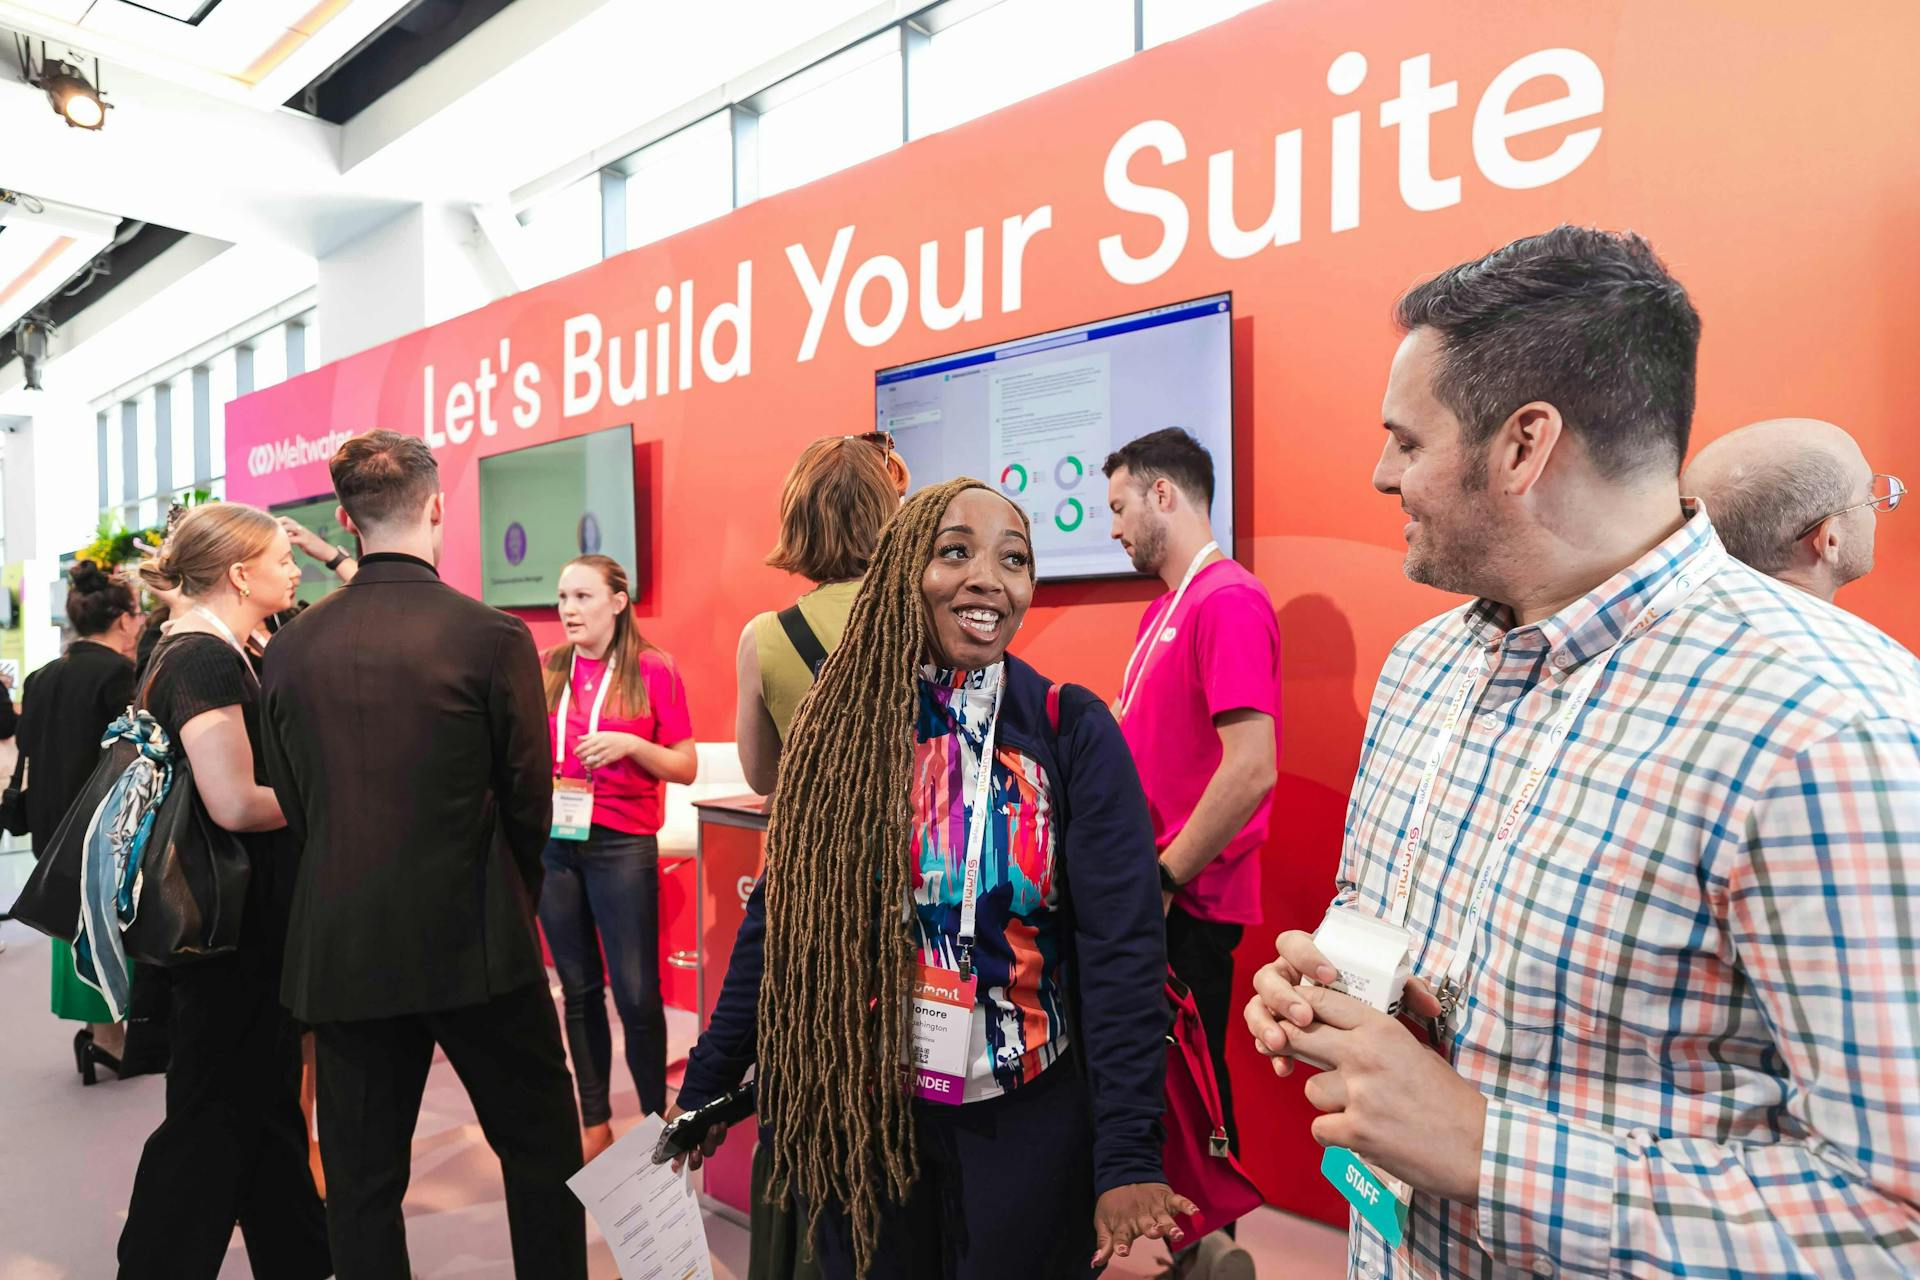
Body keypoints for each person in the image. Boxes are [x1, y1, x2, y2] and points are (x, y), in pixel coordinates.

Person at [1244, 227, 1920, 1279]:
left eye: (1407, 441)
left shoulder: (1825, 727)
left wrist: (1486, 1148)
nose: (1381, 474)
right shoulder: (1427, 665)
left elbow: (1892, 1218)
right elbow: (1383, 924)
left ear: (1524, 444)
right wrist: (1337, 990)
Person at [672, 478, 1190, 1279]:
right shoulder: (841, 733)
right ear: (902, 574)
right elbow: (782, 921)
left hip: (1027, 1121)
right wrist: (709, 1079)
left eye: (1013, 559)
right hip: (868, 1114)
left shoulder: (1070, 730)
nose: (989, 577)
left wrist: (1126, 1154)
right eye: (956, 552)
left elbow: (1123, 949)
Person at [258, 430, 584, 1279]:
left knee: (362, 1185)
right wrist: (508, 897)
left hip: (344, 950)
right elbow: (528, 802)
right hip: (477, 942)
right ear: (439, 507)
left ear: (343, 518)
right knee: (544, 1158)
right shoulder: (492, 636)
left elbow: (297, 803)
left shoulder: (288, 647)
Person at [117, 505, 331, 1279]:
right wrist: (328, 796)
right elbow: (234, 801)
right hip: (225, 939)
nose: (293, 567)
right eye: (281, 558)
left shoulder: (209, 647)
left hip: (239, 933)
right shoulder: (204, 659)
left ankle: (304, 1260)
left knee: (264, 1112)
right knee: (210, 1125)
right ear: (241, 574)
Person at [1102, 428, 1278, 1279]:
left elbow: (1251, 769)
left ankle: (1218, 1247)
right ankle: (1191, 1245)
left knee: (1196, 1080)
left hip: (1190, 903)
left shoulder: (1229, 601)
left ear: (1163, 494)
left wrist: (1167, 876)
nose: (1113, 528)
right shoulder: (1160, 612)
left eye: (1120, 506)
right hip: (1148, 896)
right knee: (1157, 1079)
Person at [732, 431, 906, 1280]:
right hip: (915, 894)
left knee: (810, 1089)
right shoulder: (923, 622)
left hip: (809, 904)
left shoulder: (767, 635)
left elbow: (764, 775)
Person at [540, 553, 697, 1161]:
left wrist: (633, 743)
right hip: (556, 846)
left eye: (582, 597)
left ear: (617, 600)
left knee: (636, 992)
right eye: (562, 598)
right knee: (576, 990)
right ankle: (594, 1120)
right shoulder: (548, 666)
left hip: (622, 846)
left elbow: (683, 765)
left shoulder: (653, 669)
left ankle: (658, 1119)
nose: (569, 610)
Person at [9, 560, 142, 1082]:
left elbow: (29, 748)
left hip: (51, 825)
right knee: (104, 930)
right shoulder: (116, 675)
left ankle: (98, 1035)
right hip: (101, 828)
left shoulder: (43, 676)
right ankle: (109, 1039)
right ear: (127, 620)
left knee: (71, 928)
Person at [737, 432, 907, 795]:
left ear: (797, 518)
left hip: (817, 847)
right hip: (929, 841)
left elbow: (762, 777)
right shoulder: (925, 612)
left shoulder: (763, 637)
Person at [1681, 418, 1904, 601]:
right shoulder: (1865, 654)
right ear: (1830, 541)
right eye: (1868, 495)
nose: (1875, 503)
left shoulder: (1664, 632)